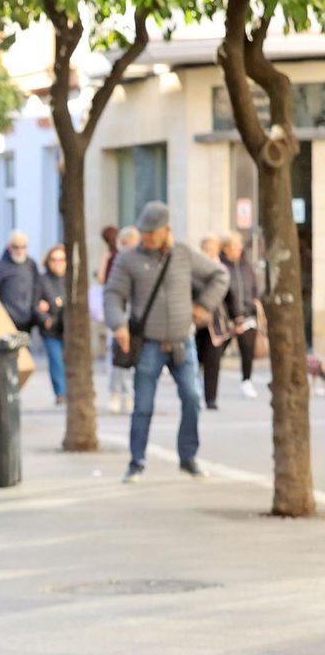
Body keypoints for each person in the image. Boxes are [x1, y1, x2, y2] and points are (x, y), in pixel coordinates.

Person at [105, 202, 229, 484]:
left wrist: (204, 305)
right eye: (143, 232)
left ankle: (188, 458)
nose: (146, 237)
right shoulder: (128, 258)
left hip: (182, 341)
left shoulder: (183, 253)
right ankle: (136, 462)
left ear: (167, 230)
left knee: (193, 397)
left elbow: (220, 275)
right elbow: (113, 294)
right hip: (148, 343)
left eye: (151, 232)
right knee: (144, 405)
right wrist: (118, 325)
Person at [198, 231, 261, 406]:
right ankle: (196, 390)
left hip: (223, 321)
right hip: (200, 322)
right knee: (202, 359)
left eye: (212, 248)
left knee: (215, 358)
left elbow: (232, 297)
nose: (209, 251)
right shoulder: (205, 268)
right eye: (207, 248)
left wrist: (239, 317)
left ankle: (212, 397)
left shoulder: (238, 267)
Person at [105, 226, 140, 413]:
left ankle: (129, 395)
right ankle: (115, 393)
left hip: (134, 316)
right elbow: (109, 289)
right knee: (117, 358)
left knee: (131, 360)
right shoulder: (114, 260)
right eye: (126, 245)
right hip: (118, 315)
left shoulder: (142, 261)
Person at [0, 230, 42, 334]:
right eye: (16, 247)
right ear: (10, 247)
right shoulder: (0, 266)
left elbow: (37, 287)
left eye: (23, 247)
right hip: (7, 319)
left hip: (27, 319)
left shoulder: (31, 264)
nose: (20, 251)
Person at [37, 244, 69, 404]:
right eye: (54, 260)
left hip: (69, 327)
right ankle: (61, 393)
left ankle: (70, 390)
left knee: (69, 360)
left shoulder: (71, 278)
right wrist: (45, 319)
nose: (58, 263)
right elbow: (35, 304)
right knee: (56, 361)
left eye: (61, 259)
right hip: (51, 328)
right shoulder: (42, 280)